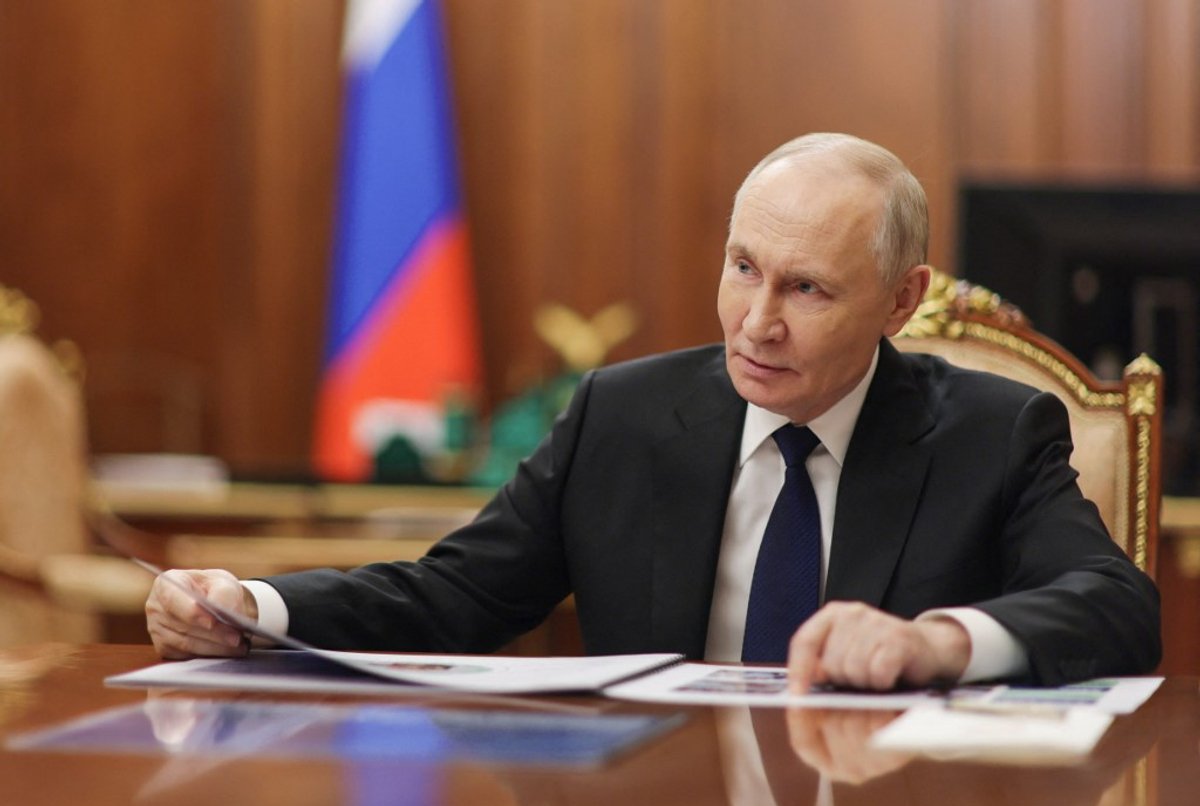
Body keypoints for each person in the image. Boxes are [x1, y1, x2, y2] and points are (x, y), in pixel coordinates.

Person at [146, 132, 1160, 691]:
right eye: (742, 269)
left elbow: (1116, 606)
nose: (754, 322)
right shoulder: (624, 415)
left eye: (806, 290)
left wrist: (939, 641)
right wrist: (253, 609)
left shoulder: (993, 430)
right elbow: (449, 597)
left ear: (902, 300)